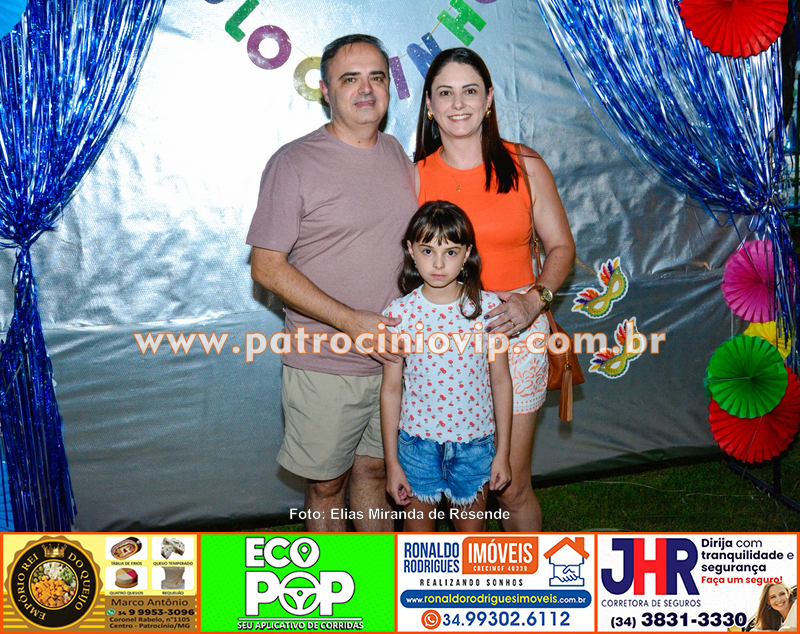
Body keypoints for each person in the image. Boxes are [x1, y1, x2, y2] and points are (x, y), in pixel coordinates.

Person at [246, 34, 418, 532]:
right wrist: (350, 321)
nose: (366, 89)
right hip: (325, 362)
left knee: (376, 472)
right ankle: (332, 578)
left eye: (377, 77)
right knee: (325, 486)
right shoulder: (294, 162)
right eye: (350, 79)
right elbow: (266, 267)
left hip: (394, 361)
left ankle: (372, 576)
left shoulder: (397, 155)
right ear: (325, 91)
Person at [414, 48, 576, 532]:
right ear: (429, 105)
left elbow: (562, 247)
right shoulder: (412, 176)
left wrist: (534, 301)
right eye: (445, 93)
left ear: (488, 99)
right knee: (455, 490)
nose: (458, 103)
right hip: (440, 345)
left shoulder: (524, 165)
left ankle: (529, 577)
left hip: (517, 334)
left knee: (510, 484)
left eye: (469, 91)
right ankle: (461, 577)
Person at [380, 201, 512, 531]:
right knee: (418, 542)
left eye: (450, 252)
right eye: (428, 251)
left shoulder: (488, 308)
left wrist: (503, 452)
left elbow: (501, 381)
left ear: (467, 254)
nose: (438, 263)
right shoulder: (399, 314)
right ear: (411, 250)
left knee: (472, 542)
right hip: (416, 447)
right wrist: (392, 462)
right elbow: (391, 390)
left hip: (475, 445)